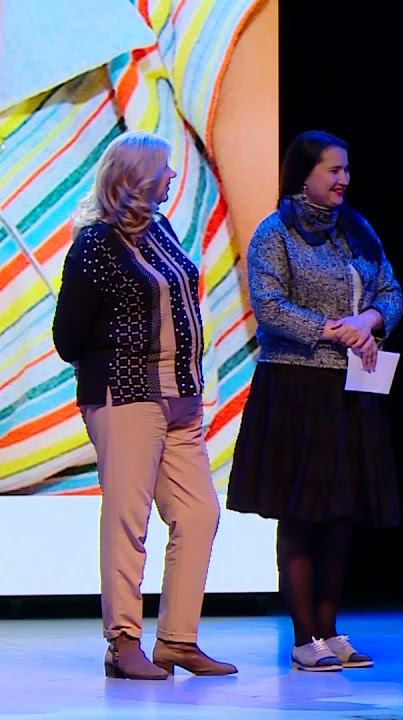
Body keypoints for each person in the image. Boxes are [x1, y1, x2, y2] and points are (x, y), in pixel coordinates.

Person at [52, 131, 236, 678]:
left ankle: (177, 640)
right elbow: (68, 337)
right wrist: (121, 351)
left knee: (199, 513)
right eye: (164, 168)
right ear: (135, 177)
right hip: (127, 396)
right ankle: (123, 642)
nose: (173, 176)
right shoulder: (95, 244)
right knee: (128, 521)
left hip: (182, 398)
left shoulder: (161, 230)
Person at [227, 130, 403, 671]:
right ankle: (305, 637)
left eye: (347, 169)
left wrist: (369, 320)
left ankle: (330, 630)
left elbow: (391, 291)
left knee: (343, 513)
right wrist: (333, 329)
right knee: (302, 513)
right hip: (296, 385)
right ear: (304, 175)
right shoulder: (274, 233)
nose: (344, 179)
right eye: (334, 169)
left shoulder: (357, 229)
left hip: (353, 386)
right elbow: (269, 306)